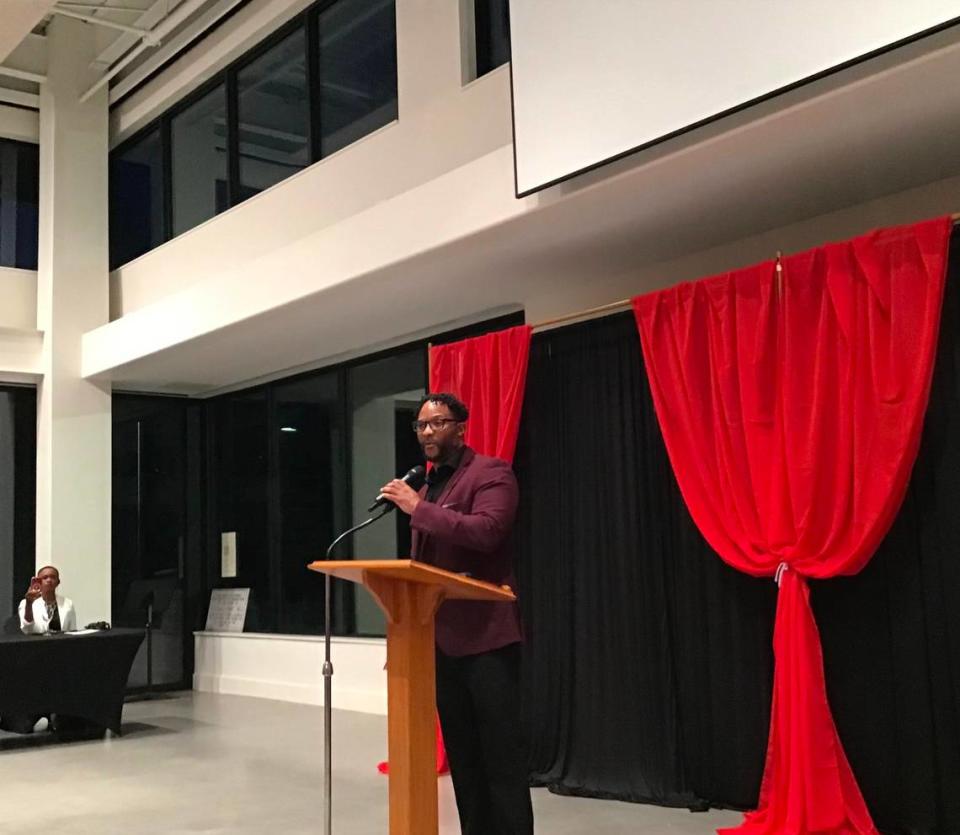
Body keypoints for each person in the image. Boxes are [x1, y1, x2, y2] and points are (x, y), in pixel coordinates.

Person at [379, 392, 534, 835]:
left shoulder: (491, 473)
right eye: (421, 426)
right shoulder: (428, 485)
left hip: (487, 641)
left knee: (500, 760)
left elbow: (487, 532)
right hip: (437, 642)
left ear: (460, 427)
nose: (428, 432)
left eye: (437, 423)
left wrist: (416, 508)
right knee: (464, 761)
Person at [19, 565, 77, 635]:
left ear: (58, 582)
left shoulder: (67, 603)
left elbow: (72, 630)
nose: (49, 580)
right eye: (45, 577)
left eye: (53, 577)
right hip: (36, 643)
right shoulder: (26, 603)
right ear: (39, 582)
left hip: (61, 643)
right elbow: (27, 628)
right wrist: (29, 604)